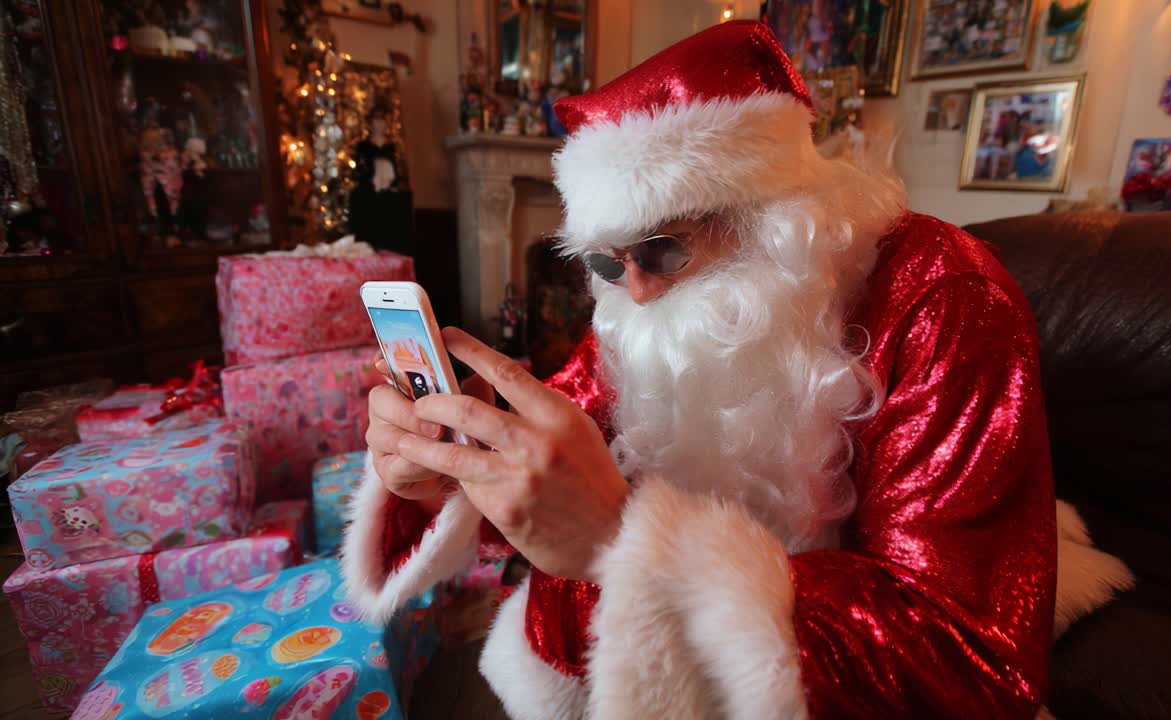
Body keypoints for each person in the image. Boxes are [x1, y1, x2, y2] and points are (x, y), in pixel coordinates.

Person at [342, 20, 1123, 719]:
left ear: (770, 219)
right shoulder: (644, 302)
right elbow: (564, 432)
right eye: (607, 264)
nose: (634, 292)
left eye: (662, 250)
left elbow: (967, 650)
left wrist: (623, 536)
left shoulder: (948, 297)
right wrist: (449, 463)